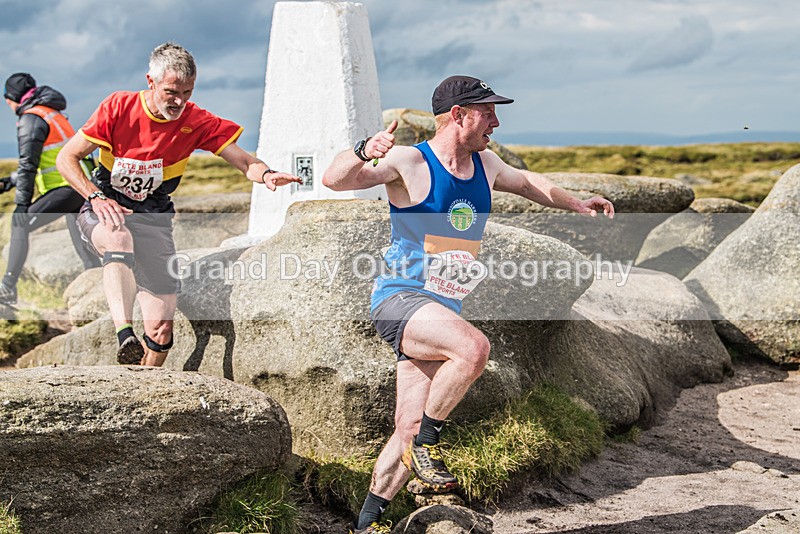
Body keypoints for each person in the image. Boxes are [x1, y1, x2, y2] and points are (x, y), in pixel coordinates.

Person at [322, 75, 615, 532]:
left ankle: (367, 523)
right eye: (488, 112)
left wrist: (577, 203)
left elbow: (529, 183)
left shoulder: (486, 164)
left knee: (406, 426)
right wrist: (364, 150)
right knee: (473, 349)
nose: (496, 121)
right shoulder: (409, 161)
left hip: (440, 310)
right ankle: (430, 444)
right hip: (400, 298)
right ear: (458, 115)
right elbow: (335, 180)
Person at [56, 42, 301, 366]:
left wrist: (266, 174)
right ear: (151, 81)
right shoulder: (118, 107)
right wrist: (95, 196)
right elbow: (66, 157)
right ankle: (124, 333)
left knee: (160, 332)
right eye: (172, 91)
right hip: (106, 207)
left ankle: (143, 393)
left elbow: (243, 160)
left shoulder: (195, 120)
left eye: (187, 92)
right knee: (118, 237)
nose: (179, 101)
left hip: (154, 218)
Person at [0, 73, 100, 306]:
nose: (6, 103)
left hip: (66, 187)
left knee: (19, 223)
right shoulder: (51, 113)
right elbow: (50, 158)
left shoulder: (31, 118)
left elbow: (29, 164)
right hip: (79, 186)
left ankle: (7, 286)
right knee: (85, 250)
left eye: (7, 97)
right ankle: (96, 286)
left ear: (14, 97)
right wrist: (12, 180)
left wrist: (22, 204)